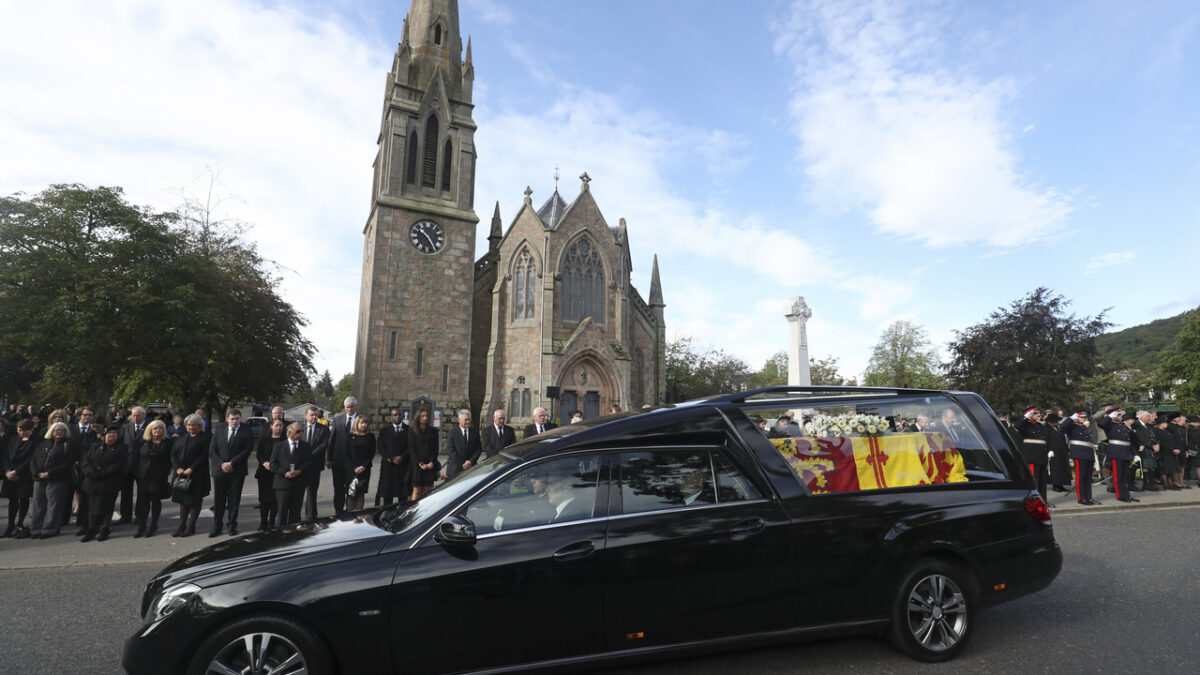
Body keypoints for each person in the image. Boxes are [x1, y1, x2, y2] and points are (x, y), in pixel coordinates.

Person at [208, 408, 253, 537]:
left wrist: (232, 463)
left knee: (234, 500)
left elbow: (247, 450)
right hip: (220, 470)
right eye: (232, 419)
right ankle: (217, 526)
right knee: (219, 500)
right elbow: (212, 450)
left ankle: (232, 525)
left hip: (237, 470)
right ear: (227, 419)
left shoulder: (246, 431)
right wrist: (222, 464)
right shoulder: (219, 430)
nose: (234, 421)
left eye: (237, 418)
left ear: (240, 419)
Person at [80, 423, 129, 542]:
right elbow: (86, 461)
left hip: (109, 482)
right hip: (92, 482)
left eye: (114, 434)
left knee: (107, 508)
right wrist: (90, 472)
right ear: (103, 436)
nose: (111, 436)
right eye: (108, 434)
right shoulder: (95, 446)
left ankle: (105, 529)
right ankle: (92, 529)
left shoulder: (121, 448)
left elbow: (118, 465)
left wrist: (102, 474)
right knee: (92, 507)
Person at [29, 421, 74, 538]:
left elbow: (68, 463)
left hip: (57, 479)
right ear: (51, 432)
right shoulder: (43, 443)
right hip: (39, 479)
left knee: (54, 506)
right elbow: (33, 459)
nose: (58, 432)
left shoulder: (68, 444)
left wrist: (50, 473)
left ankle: (49, 530)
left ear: (65, 432)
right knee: (38, 504)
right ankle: (36, 529)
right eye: (55, 430)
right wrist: (36, 473)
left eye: (61, 430)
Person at [170, 414, 211, 537]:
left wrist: (191, 468)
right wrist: (177, 468)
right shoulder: (182, 438)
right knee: (183, 502)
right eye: (188, 425)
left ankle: (190, 527)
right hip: (181, 475)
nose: (190, 427)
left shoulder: (206, 438)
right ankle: (181, 526)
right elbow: (173, 455)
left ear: (199, 426)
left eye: (193, 425)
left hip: (197, 475)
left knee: (195, 502)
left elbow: (204, 456)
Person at [133, 420, 173, 537]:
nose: (157, 431)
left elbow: (170, 459)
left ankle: (153, 525)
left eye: (160, 428)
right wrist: (137, 472)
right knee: (143, 502)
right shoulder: (143, 441)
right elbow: (135, 457)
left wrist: (166, 471)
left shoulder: (168, 442)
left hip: (159, 477)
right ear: (150, 430)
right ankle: (142, 526)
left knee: (155, 501)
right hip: (144, 477)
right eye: (155, 428)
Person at [271, 423, 312, 528]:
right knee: (282, 512)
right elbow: (273, 464)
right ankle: (281, 535)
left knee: (295, 512)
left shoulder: (305, 446)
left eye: (301, 431)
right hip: (282, 485)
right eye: (298, 431)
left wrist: (300, 471)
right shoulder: (279, 446)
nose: (300, 433)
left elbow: (309, 462)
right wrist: (285, 473)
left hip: (298, 484)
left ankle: (294, 535)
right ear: (290, 433)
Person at [2, 418, 37, 538]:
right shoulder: (13, 439)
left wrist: (17, 472)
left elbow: (30, 460)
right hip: (10, 474)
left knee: (23, 498)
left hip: (24, 475)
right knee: (12, 500)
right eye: (19, 430)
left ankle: (20, 523)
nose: (21, 433)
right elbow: (6, 456)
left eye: (24, 431)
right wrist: (7, 471)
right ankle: (10, 525)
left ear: (31, 429)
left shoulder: (34, 441)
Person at [1095, 407, 1138, 503]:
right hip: (1116, 453)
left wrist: (1135, 454)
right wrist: (1110, 416)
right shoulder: (1110, 424)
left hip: (1126, 453)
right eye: (1118, 415)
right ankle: (1120, 495)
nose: (1120, 416)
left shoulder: (1122, 425)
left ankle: (1127, 495)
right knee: (1118, 476)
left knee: (1125, 476)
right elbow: (1100, 423)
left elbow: (1129, 441)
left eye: (1120, 415)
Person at [327, 396, 360, 517]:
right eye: (347, 407)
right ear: (344, 407)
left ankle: (350, 510)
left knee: (351, 489)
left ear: (355, 406)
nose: (350, 409)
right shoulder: (337, 419)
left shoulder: (360, 419)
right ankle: (338, 512)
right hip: (337, 461)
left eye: (352, 407)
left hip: (353, 462)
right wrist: (328, 458)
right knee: (338, 488)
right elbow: (332, 440)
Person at [117, 405, 148, 525]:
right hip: (127, 465)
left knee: (142, 493)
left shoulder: (149, 427)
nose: (135, 417)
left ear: (144, 415)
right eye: (133, 415)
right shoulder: (126, 427)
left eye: (138, 415)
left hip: (142, 466)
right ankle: (125, 516)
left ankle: (140, 516)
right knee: (126, 493)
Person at [253, 418, 286, 530]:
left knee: (275, 500)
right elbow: (259, 454)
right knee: (264, 500)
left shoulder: (285, 440)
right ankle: (263, 522)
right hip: (264, 473)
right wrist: (264, 463)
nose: (279, 427)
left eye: (281, 425)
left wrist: (276, 466)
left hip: (278, 474)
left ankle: (272, 521)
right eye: (276, 425)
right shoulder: (264, 439)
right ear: (271, 426)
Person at [1014, 406, 1051, 501]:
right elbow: (1017, 425)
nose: (1037, 415)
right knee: (1035, 482)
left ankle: (1043, 501)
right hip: (1032, 457)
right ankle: (1034, 501)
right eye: (1034, 413)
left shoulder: (1039, 425)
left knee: (1042, 483)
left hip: (1042, 457)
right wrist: (1026, 417)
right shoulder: (1025, 424)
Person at [1061, 412, 1097, 505]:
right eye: (1081, 417)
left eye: (1084, 417)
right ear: (1077, 418)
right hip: (1079, 453)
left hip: (1088, 453)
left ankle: (1088, 497)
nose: (1084, 419)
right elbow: (1063, 426)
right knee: (1081, 477)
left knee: (1088, 477)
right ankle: (1082, 498)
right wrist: (1071, 418)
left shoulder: (1083, 427)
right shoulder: (1072, 425)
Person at [376, 408, 410, 506]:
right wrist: (391, 458)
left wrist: (402, 457)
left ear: (402, 416)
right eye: (395, 415)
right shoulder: (384, 431)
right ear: (391, 417)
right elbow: (381, 447)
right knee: (388, 495)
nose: (397, 417)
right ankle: (387, 515)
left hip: (403, 466)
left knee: (403, 496)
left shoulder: (408, 430)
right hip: (389, 467)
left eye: (399, 415)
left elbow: (410, 447)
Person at [302, 406, 330, 520]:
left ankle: (311, 516)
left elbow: (324, 445)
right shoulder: (300, 428)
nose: (314, 417)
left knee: (312, 492)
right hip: (301, 465)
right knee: (298, 491)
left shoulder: (323, 429)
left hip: (315, 464)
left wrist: (311, 454)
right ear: (306, 416)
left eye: (316, 415)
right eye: (312, 415)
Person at [345, 416, 375, 512]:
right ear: (357, 424)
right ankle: (349, 516)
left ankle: (359, 516)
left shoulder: (371, 436)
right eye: (361, 423)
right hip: (351, 469)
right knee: (351, 493)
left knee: (360, 493)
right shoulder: (350, 436)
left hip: (364, 469)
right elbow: (346, 453)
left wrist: (363, 466)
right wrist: (354, 467)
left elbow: (372, 453)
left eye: (365, 423)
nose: (363, 425)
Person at [408, 409, 439, 500]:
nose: (425, 418)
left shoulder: (433, 431)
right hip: (418, 466)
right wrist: (420, 463)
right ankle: (413, 511)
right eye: (422, 416)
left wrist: (432, 462)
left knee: (427, 490)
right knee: (417, 490)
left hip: (430, 464)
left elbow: (435, 448)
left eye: (426, 416)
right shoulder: (412, 432)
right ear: (418, 417)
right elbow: (412, 450)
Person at [446, 409, 480, 478]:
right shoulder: (452, 433)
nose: (468, 422)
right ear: (459, 420)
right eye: (466, 420)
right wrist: (463, 463)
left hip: (471, 468)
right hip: (455, 470)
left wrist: (471, 461)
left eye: (469, 419)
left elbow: (478, 449)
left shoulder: (474, 432)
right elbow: (451, 451)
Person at [1131, 411, 1160, 492]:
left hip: (1152, 448)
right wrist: (1152, 446)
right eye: (1147, 416)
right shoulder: (1136, 425)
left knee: (1152, 467)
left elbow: (1154, 436)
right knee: (1145, 467)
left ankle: (1151, 484)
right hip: (1144, 448)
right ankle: (1146, 485)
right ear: (1142, 417)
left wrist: (1157, 444)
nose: (1149, 418)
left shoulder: (1148, 426)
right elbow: (1141, 438)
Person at [1045, 414, 1071, 493]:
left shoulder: (1058, 428)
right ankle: (1056, 485)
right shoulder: (1046, 429)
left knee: (1063, 468)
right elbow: (1046, 440)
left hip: (1062, 450)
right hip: (1053, 451)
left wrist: (1067, 450)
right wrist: (1048, 450)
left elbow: (1063, 439)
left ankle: (1061, 484)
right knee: (1056, 469)